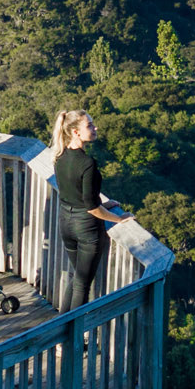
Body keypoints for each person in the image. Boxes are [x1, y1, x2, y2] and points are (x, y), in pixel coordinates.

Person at [52, 109, 133, 312]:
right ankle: (71, 339)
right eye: (89, 125)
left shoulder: (60, 156)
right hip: (86, 227)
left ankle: (62, 331)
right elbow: (91, 207)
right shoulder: (86, 163)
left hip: (66, 221)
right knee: (82, 285)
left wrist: (103, 205)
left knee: (77, 276)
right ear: (76, 132)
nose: (95, 128)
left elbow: (76, 194)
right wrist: (117, 218)